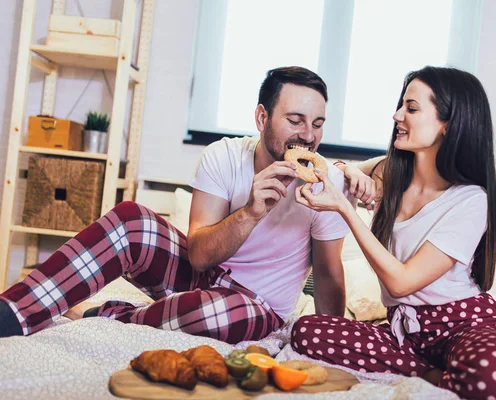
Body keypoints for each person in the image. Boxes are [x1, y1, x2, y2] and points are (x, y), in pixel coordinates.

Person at [0, 66, 356, 344]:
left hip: (256, 306)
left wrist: (331, 342)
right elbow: (199, 256)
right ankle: (15, 310)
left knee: (213, 313)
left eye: (318, 124)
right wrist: (250, 212)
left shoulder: (328, 186)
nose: (308, 136)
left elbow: (327, 273)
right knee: (130, 219)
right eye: (295, 121)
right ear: (262, 118)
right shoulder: (224, 156)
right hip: (204, 274)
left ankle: (107, 316)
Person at [291, 66, 496, 399]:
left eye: (411, 108)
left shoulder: (470, 200)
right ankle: (431, 373)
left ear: (448, 125)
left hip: (465, 325)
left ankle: (440, 371)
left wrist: (345, 210)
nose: (397, 115)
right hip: (406, 333)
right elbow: (340, 167)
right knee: (307, 331)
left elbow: (402, 283)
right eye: (401, 106)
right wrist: (349, 170)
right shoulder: (389, 175)